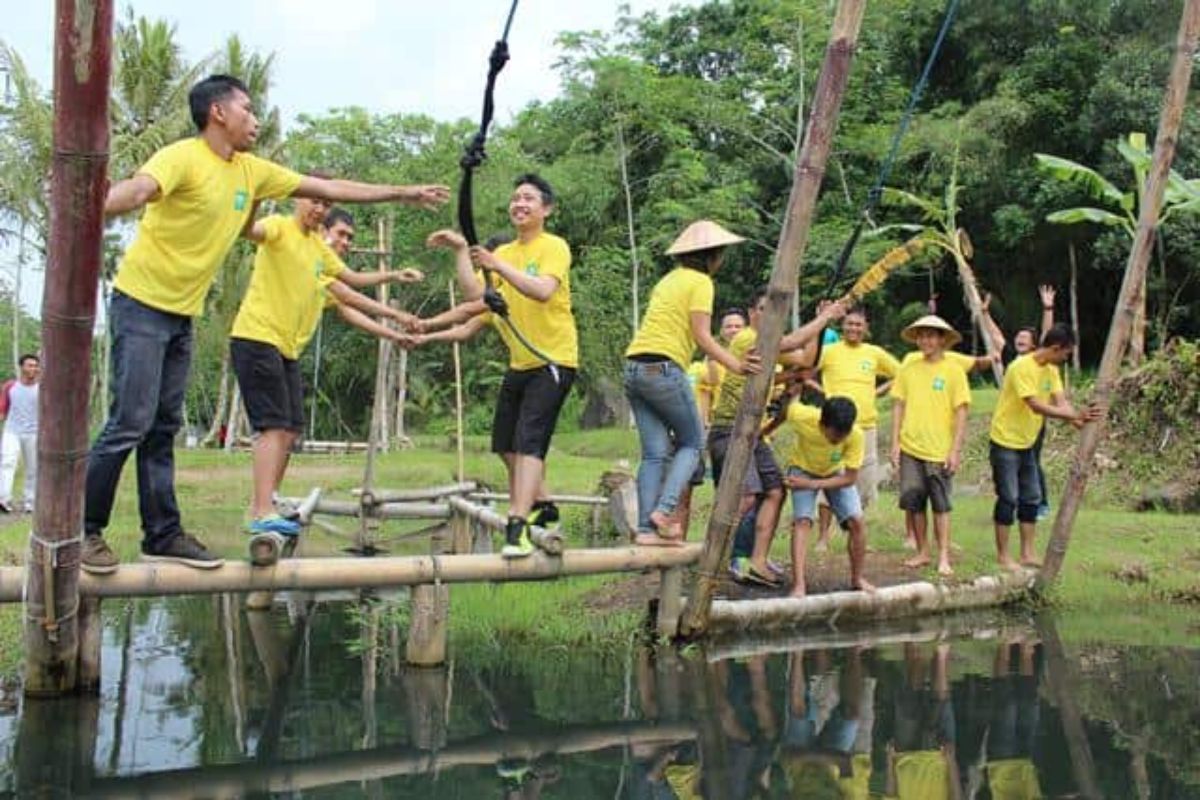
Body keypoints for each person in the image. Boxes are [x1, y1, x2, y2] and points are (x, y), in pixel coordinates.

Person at [82, 74, 449, 573]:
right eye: (248, 109)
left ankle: (162, 534)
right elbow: (141, 189)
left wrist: (402, 193)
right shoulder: (182, 157)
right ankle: (84, 533)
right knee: (130, 421)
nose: (255, 119)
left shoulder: (252, 172)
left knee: (163, 426)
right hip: (141, 303)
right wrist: (96, 203)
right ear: (218, 112)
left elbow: (331, 187)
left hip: (181, 314)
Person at [232, 198, 422, 536]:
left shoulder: (318, 258)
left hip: (285, 350)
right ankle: (260, 510)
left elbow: (352, 299)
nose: (345, 243)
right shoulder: (291, 236)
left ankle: (267, 501)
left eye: (350, 237)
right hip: (259, 337)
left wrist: (392, 331)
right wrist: (395, 315)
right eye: (341, 234)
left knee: (290, 430)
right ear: (320, 226)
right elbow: (350, 294)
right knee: (274, 427)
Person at [411, 174, 576, 558]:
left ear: (545, 209)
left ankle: (517, 526)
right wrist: (461, 251)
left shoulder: (554, 247)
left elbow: (542, 290)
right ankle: (543, 504)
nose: (519, 204)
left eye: (529, 199)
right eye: (515, 197)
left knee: (529, 442)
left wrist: (495, 265)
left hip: (553, 361)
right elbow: (475, 297)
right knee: (504, 443)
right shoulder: (506, 255)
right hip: (521, 364)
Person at [624, 220, 760, 545]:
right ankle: (663, 511)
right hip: (664, 367)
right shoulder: (701, 282)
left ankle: (646, 530)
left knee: (655, 453)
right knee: (694, 442)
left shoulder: (668, 280)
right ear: (713, 256)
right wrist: (737, 365)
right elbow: (701, 336)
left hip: (633, 367)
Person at [708, 288, 845, 586]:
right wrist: (824, 317)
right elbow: (795, 342)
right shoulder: (747, 337)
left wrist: (820, 323)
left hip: (752, 433)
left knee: (774, 490)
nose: (769, 316)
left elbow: (806, 357)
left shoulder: (769, 346)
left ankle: (757, 560)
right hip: (729, 430)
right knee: (744, 498)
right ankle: (717, 559)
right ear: (751, 314)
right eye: (762, 309)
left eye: (774, 311)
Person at [988, 324, 1101, 570]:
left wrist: (1077, 418)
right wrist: (1071, 416)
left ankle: (1027, 553)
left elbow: (1060, 402)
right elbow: (1035, 405)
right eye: (1066, 354)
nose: (1066, 358)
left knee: (1031, 497)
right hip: (1004, 441)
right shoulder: (1020, 367)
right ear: (1055, 348)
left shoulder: (1051, 370)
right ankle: (1003, 556)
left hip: (1027, 442)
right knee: (1008, 497)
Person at [889, 316, 971, 577]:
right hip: (910, 446)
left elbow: (961, 412)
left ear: (942, 340)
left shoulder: (953, 371)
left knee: (941, 504)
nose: (926, 341)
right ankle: (923, 551)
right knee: (913, 500)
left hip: (939, 449)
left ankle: (943, 555)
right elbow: (898, 406)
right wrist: (894, 443)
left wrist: (955, 450)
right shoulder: (909, 368)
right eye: (922, 336)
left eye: (931, 336)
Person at [769, 395, 874, 597]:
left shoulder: (855, 435)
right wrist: (764, 432)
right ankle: (799, 585)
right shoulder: (803, 416)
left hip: (834, 473)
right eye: (834, 436)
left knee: (857, 522)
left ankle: (857, 578)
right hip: (802, 468)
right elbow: (785, 412)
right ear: (821, 424)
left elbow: (850, 478)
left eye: (843, 436)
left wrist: (812, 484)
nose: (839, 440)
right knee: (803, 521)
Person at [813, 307, 900, 547]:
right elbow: (805, 370)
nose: (853, 328)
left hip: (866, 426)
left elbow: (900, 374)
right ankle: (822, 538)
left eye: (858, 324)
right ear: (843, 325)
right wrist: (824, 393)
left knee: (863, 480)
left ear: (866, 328)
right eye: (849, 323)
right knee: (828, 475)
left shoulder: (874, 353)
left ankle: (855, 535)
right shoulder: (829, 352)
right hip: (833, 427)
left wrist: (877, 391)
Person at [0, 354, 41, 513]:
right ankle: (4, 499)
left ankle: (30, 502)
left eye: (35, 366)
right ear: (21, 367)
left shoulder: (41, 389)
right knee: (7, 462)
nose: (33, 369)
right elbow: (3, 409)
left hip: (33, 433)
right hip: (12, 431)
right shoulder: (10, 387)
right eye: (30, 365)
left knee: (33, 467)